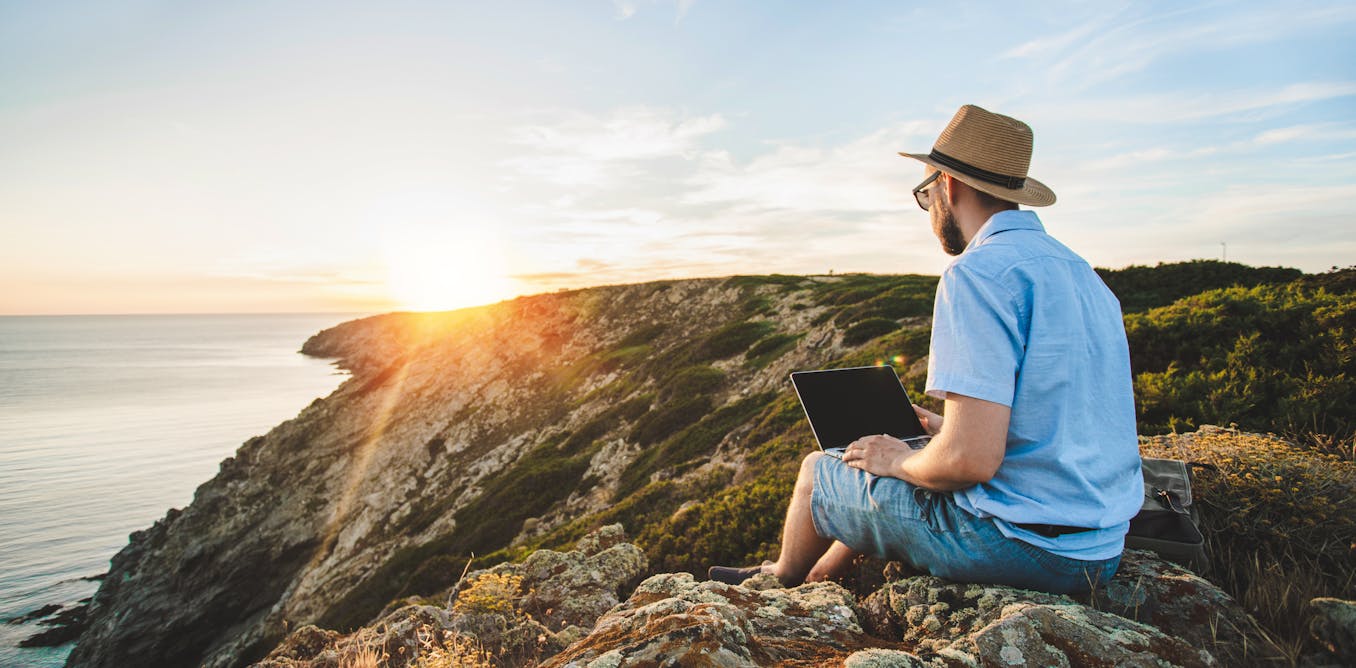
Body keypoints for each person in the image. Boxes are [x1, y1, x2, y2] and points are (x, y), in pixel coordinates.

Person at [710, 104, 1142, 594]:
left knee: (819, 471)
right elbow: (1067, 416)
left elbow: (969, 463)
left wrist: (897, 461)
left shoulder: (977, 274)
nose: (929, 207)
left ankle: (777, 582)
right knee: (892, 456)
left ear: (948, 185)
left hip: (1021, 547)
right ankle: (822, 574)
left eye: (925, 194)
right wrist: (942, 433)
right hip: (1099, 548)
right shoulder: (1083, 275)